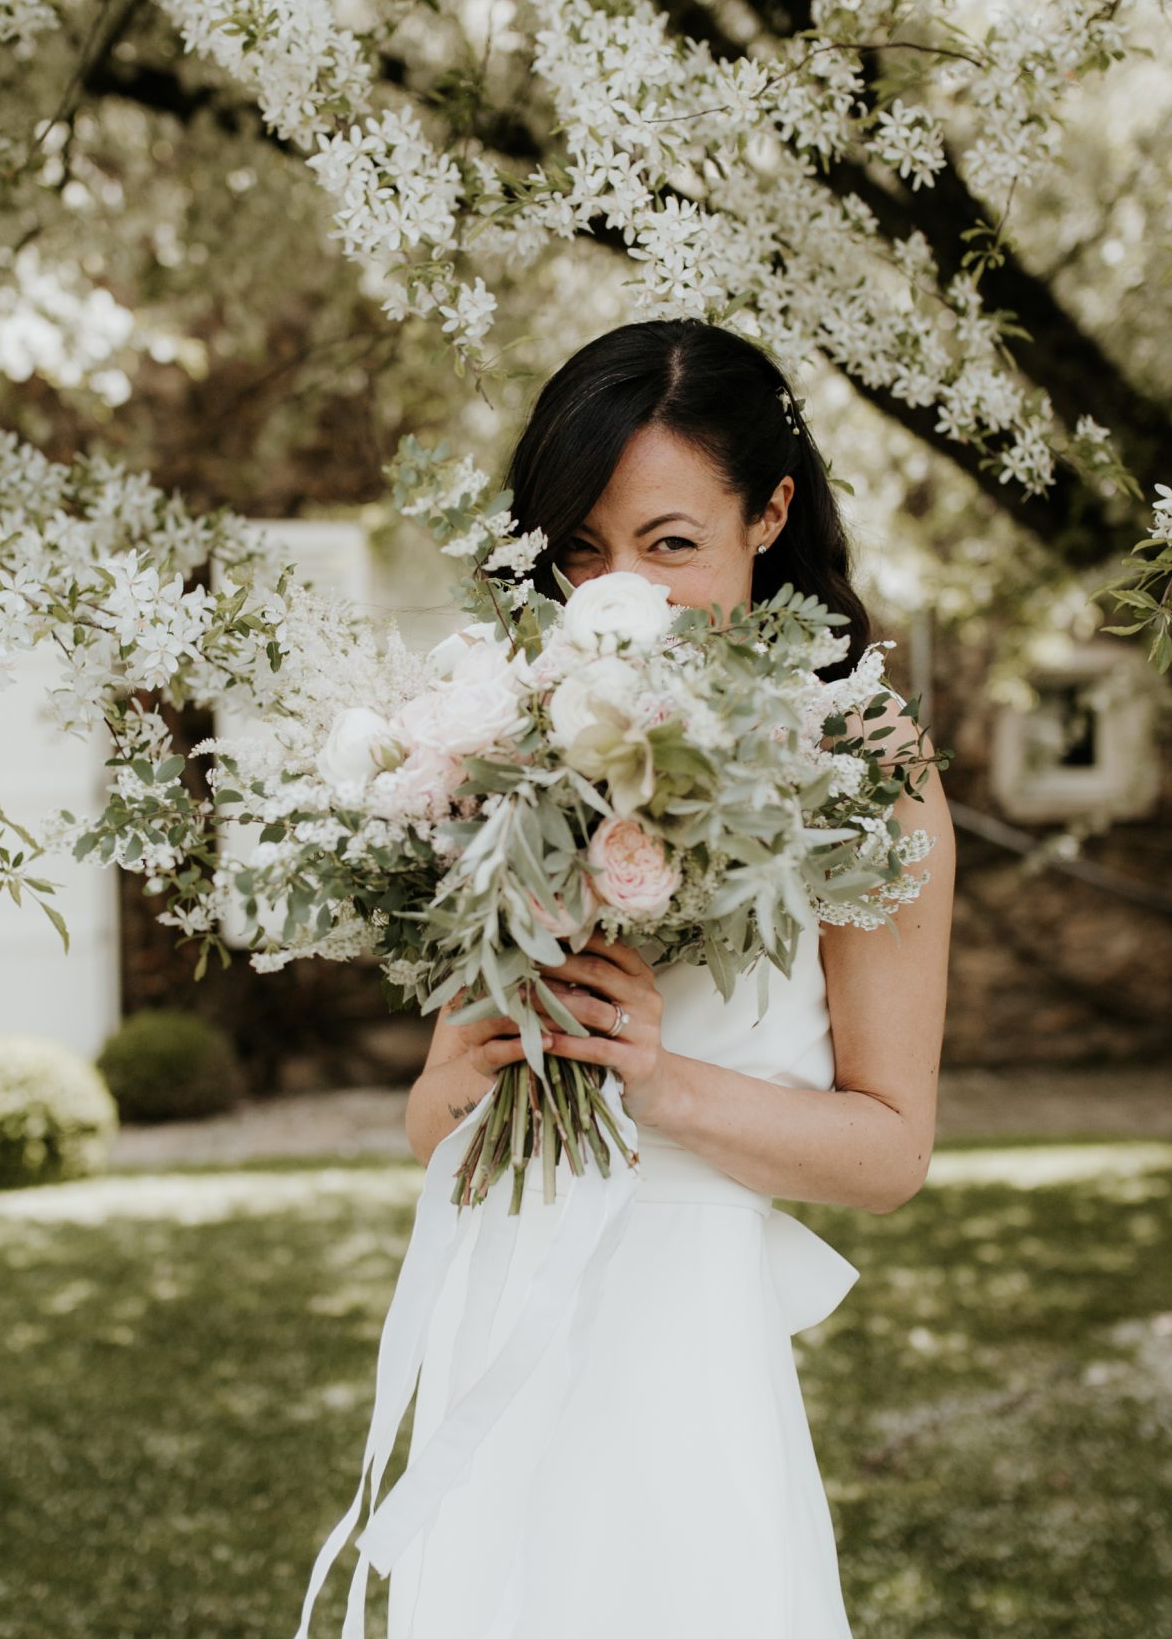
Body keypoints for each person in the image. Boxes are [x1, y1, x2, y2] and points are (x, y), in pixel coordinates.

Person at [296, 318, 956, 1639]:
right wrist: (469, 1069)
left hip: (685, 1353)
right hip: (499, 1316)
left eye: (669, 545)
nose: (622, 597)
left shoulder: (864, 760)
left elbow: (890, 1155)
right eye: (582, 552)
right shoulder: (506, 732)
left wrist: (649, 1080)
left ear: (768, 514)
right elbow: (434, 1125)